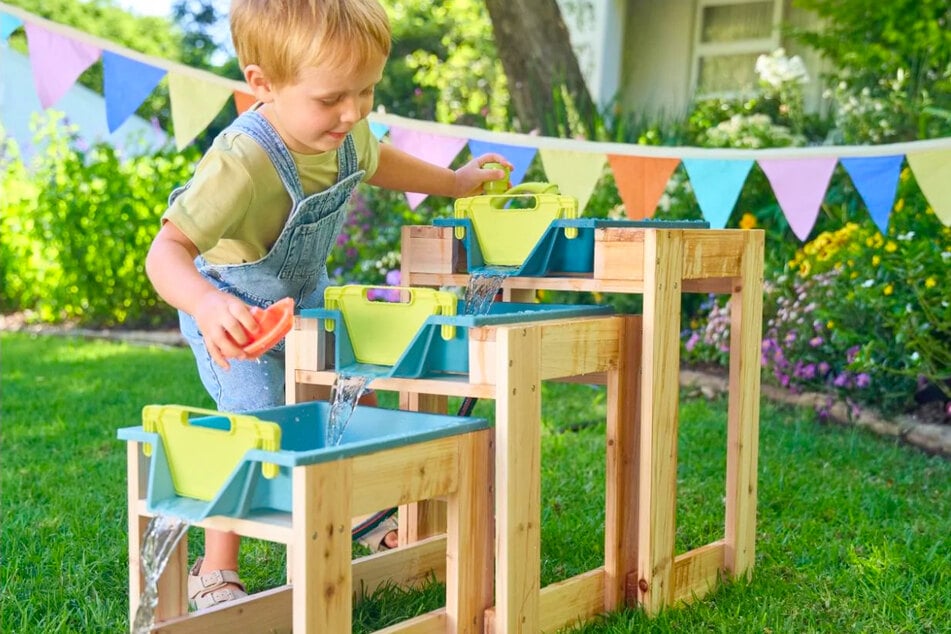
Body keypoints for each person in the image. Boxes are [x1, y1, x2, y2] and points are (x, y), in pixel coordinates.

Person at [144, 0, 511, 611]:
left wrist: (453, 183)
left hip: (304, 301)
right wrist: (207, 305)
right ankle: (215, 568)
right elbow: (166, 252)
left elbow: (378, 160)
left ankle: (359, 519)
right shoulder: (243, 159)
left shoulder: (346, 134)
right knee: (254, 423)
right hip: (235, 315)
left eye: (366, 91)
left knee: (347, 402)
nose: (353, 112)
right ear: (263, 83)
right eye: (332, 98)